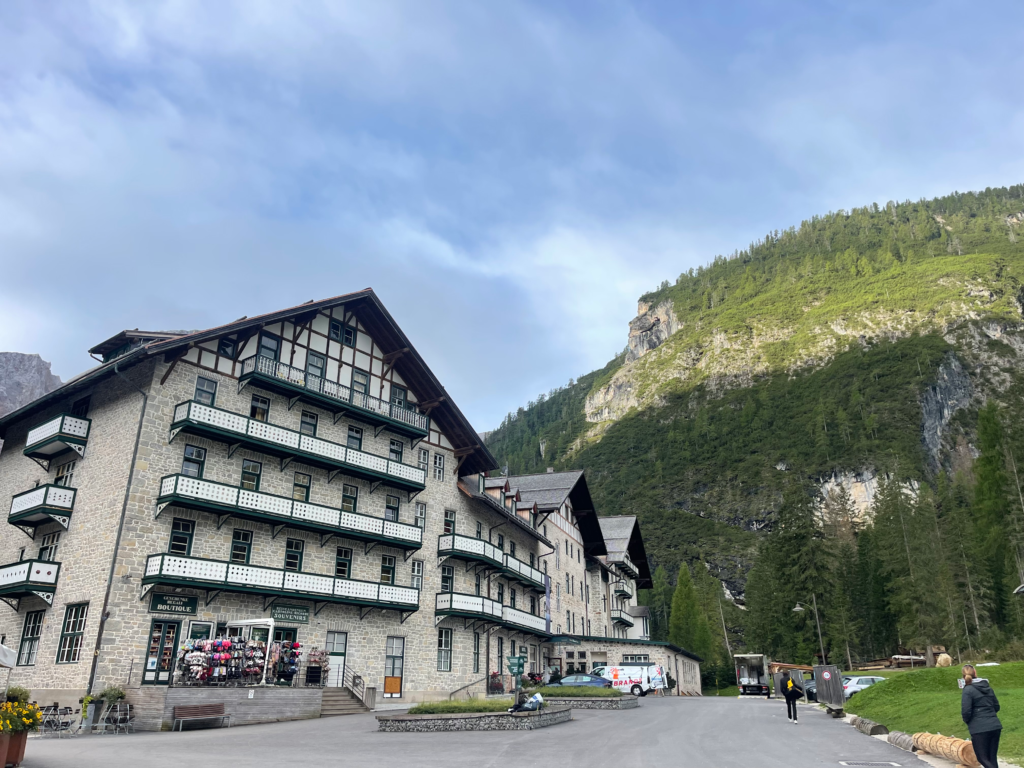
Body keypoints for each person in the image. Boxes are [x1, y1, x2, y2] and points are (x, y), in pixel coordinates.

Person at [961, 664, 1001, 768]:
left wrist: (969, 721)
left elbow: (966, 711)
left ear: (963, 676)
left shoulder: (968, 690)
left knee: (982, 758)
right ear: (975, 673)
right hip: (994, 725)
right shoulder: (987, 687)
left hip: (979, 728)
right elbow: (996, 706)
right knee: (992, 758)